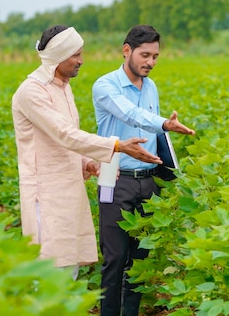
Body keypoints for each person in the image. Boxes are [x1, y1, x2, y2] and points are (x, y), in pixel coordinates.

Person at [11, 25, 162, 278]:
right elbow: (65, 134)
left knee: (68, 267)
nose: (81, 61)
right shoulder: (32, 91)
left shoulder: (62, 87)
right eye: (75, 55)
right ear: (58, 58)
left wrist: (88, 163)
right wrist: (116, 146)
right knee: (49, 270)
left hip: (68, 188)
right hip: (46, 193)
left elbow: (62, 141)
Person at [92, 24, 196, 316]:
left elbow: (152, 129)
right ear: (127, 51)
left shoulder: (151, 87)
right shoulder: (106, 86)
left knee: (140, 259)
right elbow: (130, 113)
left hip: (147, 181)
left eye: (155, 56)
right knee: (115, 258)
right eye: (145, 55)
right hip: (116, 179)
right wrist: (164, 123)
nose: (150, 62)